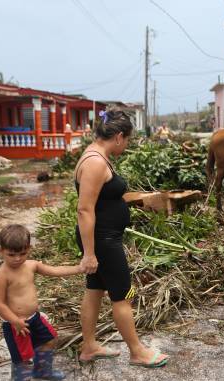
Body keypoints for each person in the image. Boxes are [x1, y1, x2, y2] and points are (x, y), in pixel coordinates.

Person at [74, 108, 169, 367]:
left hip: (102, 238)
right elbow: (84, 209)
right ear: (118, 136)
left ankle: (89, 346)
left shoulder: (96, 156)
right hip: (102, 241)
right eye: (127, 140)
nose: (126, 145)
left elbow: (102, 199)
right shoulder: (94, 162)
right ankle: (137, 352)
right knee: (123, 294)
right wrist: (90, 253)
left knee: (94, 290)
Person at [0, 224, 84, 381]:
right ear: (0, 251)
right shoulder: (2, 275)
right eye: (11, 254)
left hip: (34, 317)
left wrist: (78, 268)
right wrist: (14, 321)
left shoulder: (31, 265)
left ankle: (42, 370)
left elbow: (55, 271)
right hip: (16, 324)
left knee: (49, 339)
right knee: (23, 356)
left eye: (22, 253)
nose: (17, 259)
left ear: (29, 249)